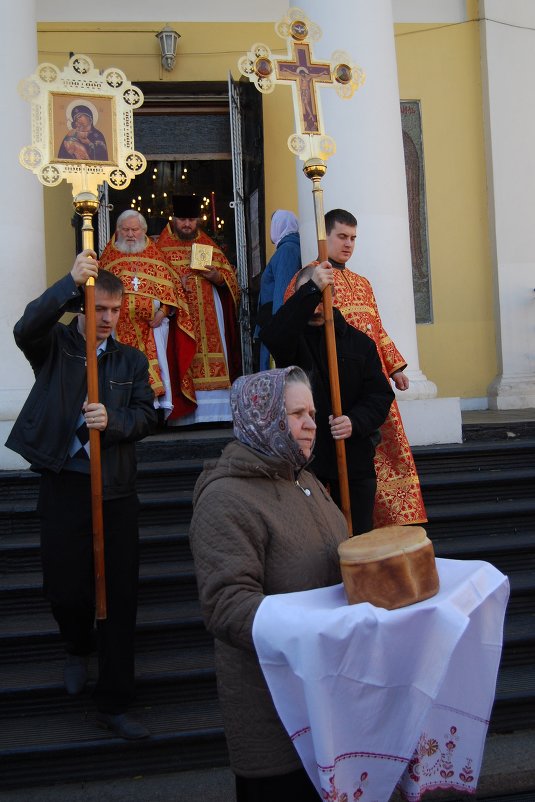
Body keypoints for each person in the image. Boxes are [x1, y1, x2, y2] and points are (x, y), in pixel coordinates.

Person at [5, 254, 157, 739]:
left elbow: (146, 416)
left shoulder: (131, 360)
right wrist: (68, 282)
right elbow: (26, 327)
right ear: (83, 306)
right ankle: (76, 645)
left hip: (113, 489)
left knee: (119, 597)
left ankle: (115, 699)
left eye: (116, 309)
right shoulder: (56, 347)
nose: (109, 318)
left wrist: (114, 423)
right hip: (64, 482)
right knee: (65, 590)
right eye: (101, 308)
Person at [189, 367, 348, 801]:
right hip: (275, 713)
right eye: (297, 413)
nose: (312, 423)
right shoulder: (226, 498)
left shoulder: (308, 481)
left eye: (312, 412)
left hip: (329, 698)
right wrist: (320, 627)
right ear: (263, 417)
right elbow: (227, 606)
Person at [285, 208, 427, 528]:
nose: (348, 244)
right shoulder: (309, 278)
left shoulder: (362, 283)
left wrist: (394, 368)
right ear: (327, 237)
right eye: (342, 237)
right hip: (330, 388)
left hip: (366, 384)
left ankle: (381, 521)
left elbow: (376, 329)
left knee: (372, 458)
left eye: (353, 239)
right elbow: (292, 328)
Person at [259, 262, 394, 535]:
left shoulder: (359, 343)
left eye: (323, 297)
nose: (317, 307)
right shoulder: (292, 340)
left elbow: (379, 395)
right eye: (310, 299)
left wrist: (354, 421)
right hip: (308, 461)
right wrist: (310, 289)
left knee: (358, 539)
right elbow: (273, 336)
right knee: (314, 539)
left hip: (353, 459)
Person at [99, 210, 196, 421]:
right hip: (118, 328)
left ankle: (153, 411)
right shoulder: (109, 257)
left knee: (156, 367)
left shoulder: (156, 255)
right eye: (126, 230)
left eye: (135, 229)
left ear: (143, 230)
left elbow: (173, 290)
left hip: (153, 328)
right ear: (118, 231)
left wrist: (163, 312)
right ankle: (123, 407)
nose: (131, 234)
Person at [158, 195, 240, 425]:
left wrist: (217, 277)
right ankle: (183, 414)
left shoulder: (207, 245)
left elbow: (230, 281)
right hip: (180, 321)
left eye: (191, 220)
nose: (187, 224)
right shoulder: (161, 248)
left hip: (210, 318)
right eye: (182, 219)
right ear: (173, 219)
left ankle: (217, 413)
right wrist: (176, 285)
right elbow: (156, 283)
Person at [256, 210, 302, 370]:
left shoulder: (287, 250)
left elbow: (283, 291)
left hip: (275, 323)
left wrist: (277, 330)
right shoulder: (288, 248)